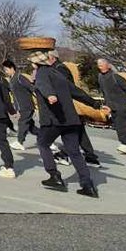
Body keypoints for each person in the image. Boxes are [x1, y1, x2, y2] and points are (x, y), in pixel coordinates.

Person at [31, 49, 98, 198]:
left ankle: (54, 175)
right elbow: (76, 91)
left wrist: (50, 95)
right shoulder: (58, 74)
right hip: (71, 119)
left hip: (54, 118)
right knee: (74, 152)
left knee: (43, 143)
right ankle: (87, 185)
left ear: (35, 63)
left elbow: (43, 84)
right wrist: (95, 104)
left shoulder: (42, 73)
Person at [53, 60, 100, 166]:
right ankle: (90, 157)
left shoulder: (59, 69)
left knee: (70, 131)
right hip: (72, 105)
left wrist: (93, 103)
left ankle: (65, 154)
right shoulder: (59, 68)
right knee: (78, 130)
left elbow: (71, 89)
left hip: (69, 106)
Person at [95, 58, 126, 155]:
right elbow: (104, 92)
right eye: (99, 65)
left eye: (102, 64)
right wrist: (105, 104)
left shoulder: (116, 77)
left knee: (121, 126)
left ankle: (125, 144)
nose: (100, 66)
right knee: (118, 126)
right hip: (111, 106)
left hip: (122, 105)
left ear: (108, 65)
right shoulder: (100, 77)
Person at [3, 59, 37, 151]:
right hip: (21, 106)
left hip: (26, 105)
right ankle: (47, 140)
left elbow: (31, 88)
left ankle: (19, 142)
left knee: (22, 122)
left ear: (12, 68)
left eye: (6, 69)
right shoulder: (12, 79)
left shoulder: (19, 77)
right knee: (31, 127)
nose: (5, 72)